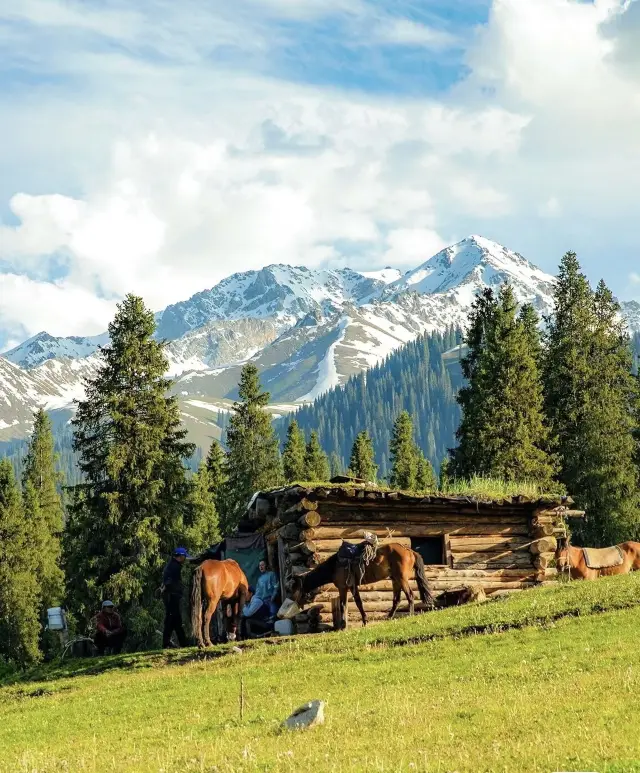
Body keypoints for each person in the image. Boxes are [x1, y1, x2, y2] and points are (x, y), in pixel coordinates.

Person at [162, 546, 189, 648]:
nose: (184, 559)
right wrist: (179, 589)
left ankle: (182, 643)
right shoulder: (175, 566)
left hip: (172, 596)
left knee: (175, 621)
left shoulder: (171, 565)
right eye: (184, 556)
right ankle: (167, 643)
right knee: (171, 620)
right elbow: (171, 582)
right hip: (172, 596)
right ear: (180, 556)